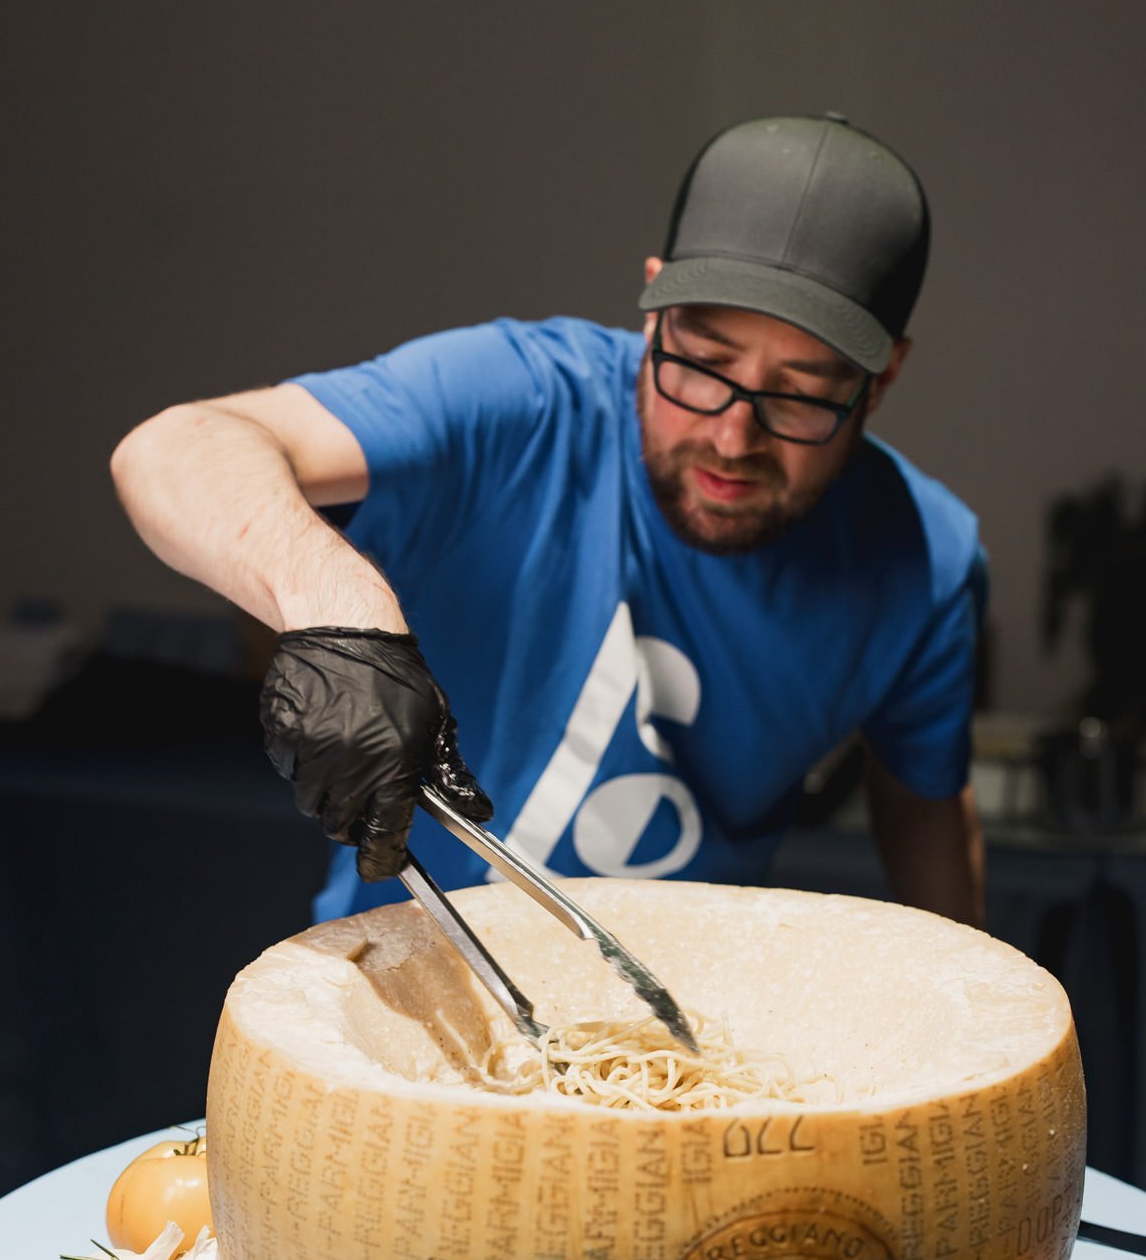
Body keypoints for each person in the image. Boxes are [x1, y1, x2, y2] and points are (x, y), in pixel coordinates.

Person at [112, 114, 987, 928]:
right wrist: (342, 612)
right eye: (702, 363)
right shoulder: (524, 400)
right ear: (651, 309)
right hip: (401, 1005)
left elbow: (924, 803)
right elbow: (173, 447)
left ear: (885, 377)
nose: (732, 436)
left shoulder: (927, 561)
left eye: (799, 395)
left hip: (686, 1042)